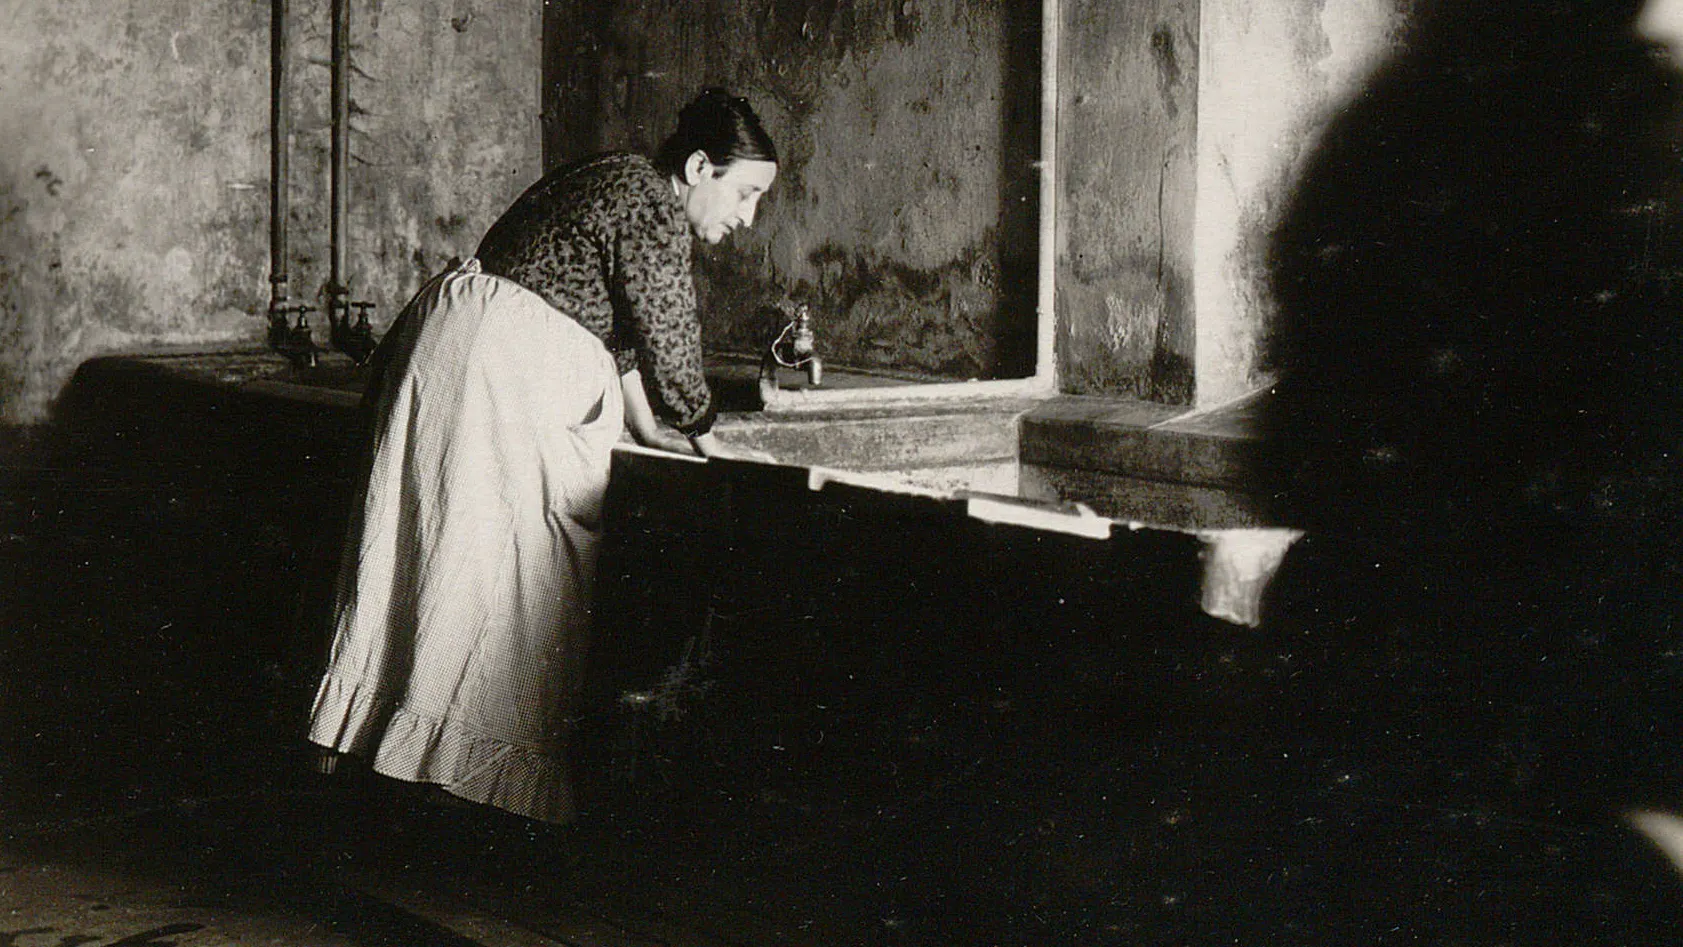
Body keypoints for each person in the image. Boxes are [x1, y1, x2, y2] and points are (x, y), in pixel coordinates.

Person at [305, 89, 779, 826]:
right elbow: (667, 334)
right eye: (745, 194)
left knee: (437, 559)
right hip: (501, 365)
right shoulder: (650, 203)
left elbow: (620, 334)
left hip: (463, 345)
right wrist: (711, 441)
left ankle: (391, 764)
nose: (746, 218)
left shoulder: (615, 176)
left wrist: (650, 428)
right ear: (697, 168)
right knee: (503, 577)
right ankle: (459, 792)